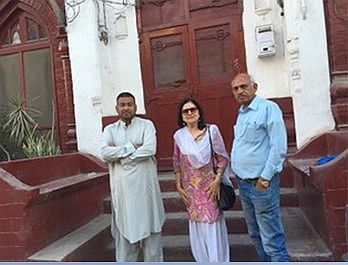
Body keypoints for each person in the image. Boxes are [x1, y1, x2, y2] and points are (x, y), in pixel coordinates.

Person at [230, 73, 289, 261]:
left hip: (261, 183)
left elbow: (278, 147)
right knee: (254, 233)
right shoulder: (241, 112)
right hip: (244, 183)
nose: (240, 91)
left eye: (243, 86)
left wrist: (265, 178)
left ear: (255, 87)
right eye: (235, 89)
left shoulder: (268, 109)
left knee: (272, 238)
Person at [101, 92, 165, 262]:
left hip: (146, 195)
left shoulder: (147, 125)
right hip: (124, 198)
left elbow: (150, 149)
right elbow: (105, 153)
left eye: (130, 104)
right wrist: (131, 148)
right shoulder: (110, 130)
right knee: (125, 247)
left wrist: (121, 157)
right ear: (117, 108)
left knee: (153, 249)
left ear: (135, 107)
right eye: (122, 105)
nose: (126, 108)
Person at [173, 98, 231, 262]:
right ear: (182, 116)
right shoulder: (179, 136)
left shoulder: (211, 131)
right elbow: (176, 162)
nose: (190, 113)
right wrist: (178, 185)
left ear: (199, 113)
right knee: (197, 224)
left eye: (193, 110)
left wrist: (217, 180)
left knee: (212, 222)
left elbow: (222, 159)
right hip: (191, 190)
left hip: (211, 187)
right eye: (186, 111)